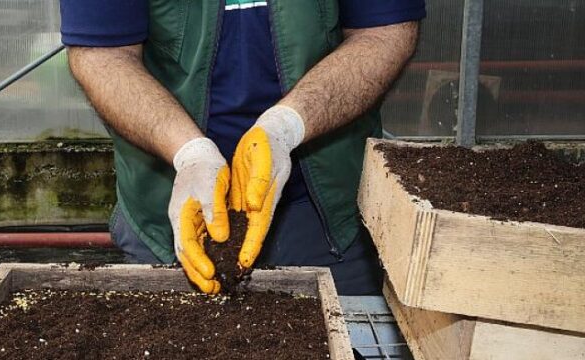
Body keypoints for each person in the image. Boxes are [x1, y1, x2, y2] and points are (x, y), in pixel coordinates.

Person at [60, 0, 425, 296]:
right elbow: (102, 55)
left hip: (325, 211)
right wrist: (189, 152)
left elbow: (384, 32)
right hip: (171, 203)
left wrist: (286, 126)